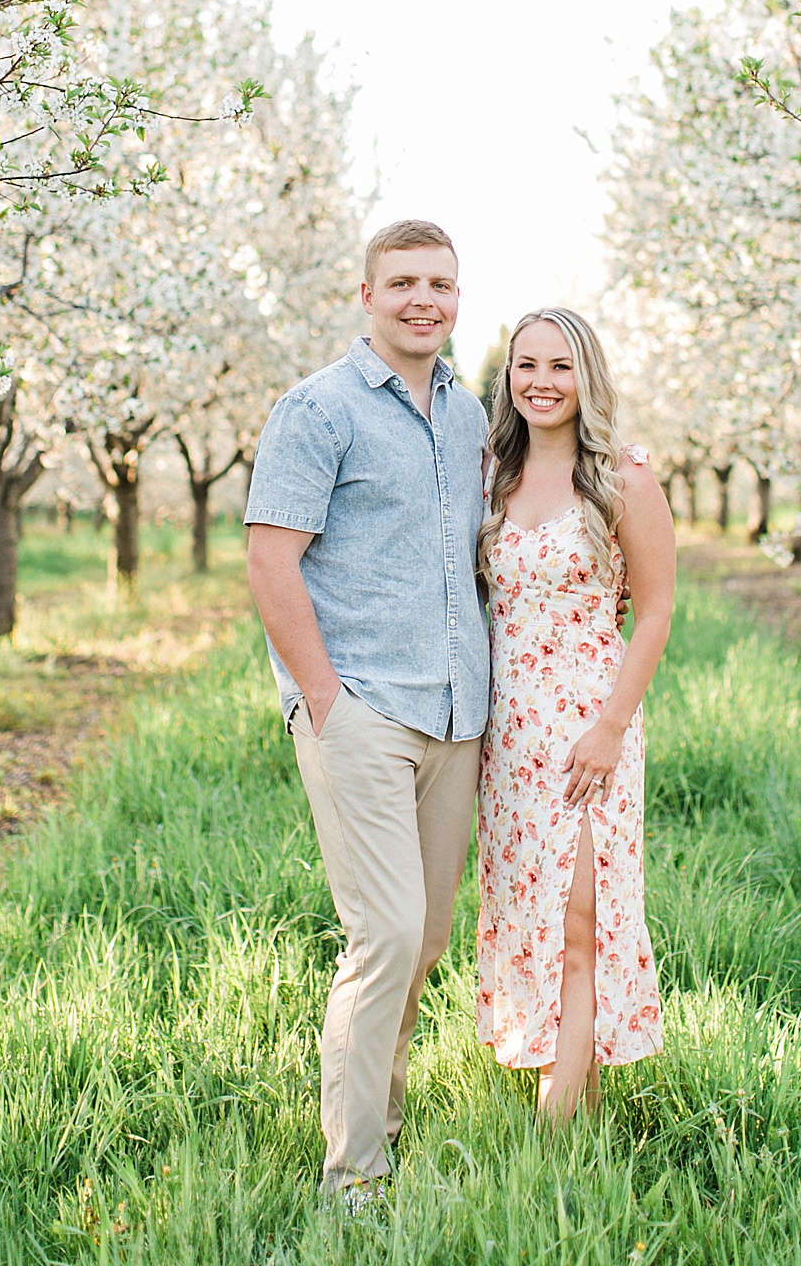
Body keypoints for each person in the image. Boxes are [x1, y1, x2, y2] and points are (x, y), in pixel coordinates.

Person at [245, 219, 488, 1201]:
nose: (421, 299)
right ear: (365, 293)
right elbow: (270, 559)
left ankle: (379, 1118)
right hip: (363, 712)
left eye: (438, 282)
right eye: (401, 283)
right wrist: (324, 703)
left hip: (457, 716)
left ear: (456, 297)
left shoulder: (470, 416)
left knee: (424, 939)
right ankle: (353, 1180)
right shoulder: (318, 411)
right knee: (382, 935)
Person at [476, 307, 676, 1120]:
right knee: (533, 912)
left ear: (586, 376)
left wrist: (609, 728)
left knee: (582, 922)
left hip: (589, 728)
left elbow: (656, 611)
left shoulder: (623, 477)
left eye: (561, 367)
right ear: (509, 377)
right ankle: (582, 1115)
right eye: (527, 366)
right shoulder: (492, 474)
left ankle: (553, 1143)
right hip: (508, 735)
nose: (542, 383)